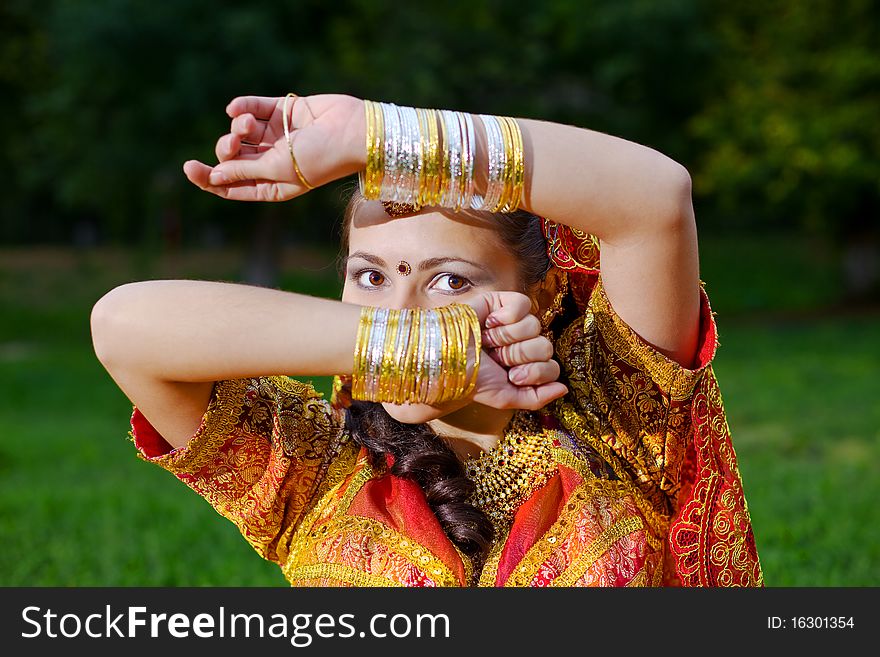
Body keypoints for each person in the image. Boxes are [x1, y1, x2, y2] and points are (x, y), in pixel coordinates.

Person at [90, 92, 763, 587]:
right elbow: (123, 325)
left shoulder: (620, 422)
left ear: (542, 294)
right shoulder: (316, 462)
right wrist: (432, 352)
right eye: (370, 276)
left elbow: (655, 197)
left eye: (449, 282)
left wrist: (374, 133)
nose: (403, 306)